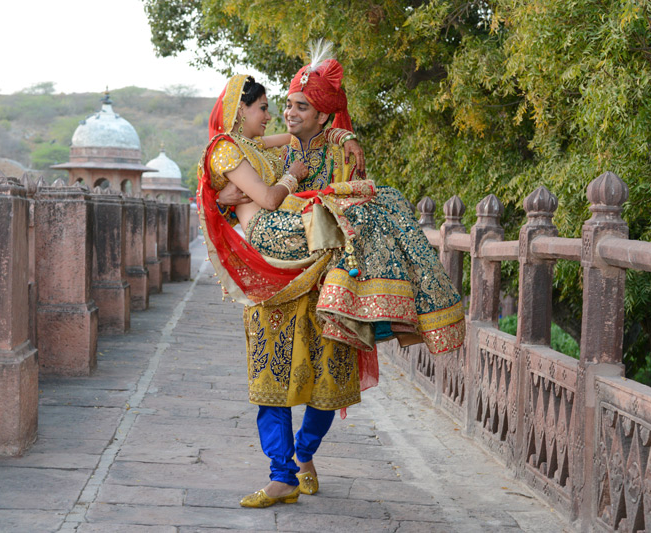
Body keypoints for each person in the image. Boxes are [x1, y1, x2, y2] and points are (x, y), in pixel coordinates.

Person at [198, 50, 465, 509]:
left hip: (329, 284)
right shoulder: (272, 150)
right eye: (283, 105)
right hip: (277, 279)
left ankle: (304, 454)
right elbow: (232, 188)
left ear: (322, 113)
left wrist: (341, 135)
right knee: (271, 377)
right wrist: (265, 187)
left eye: (301, 106)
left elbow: (347, 208)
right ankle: (281, 474)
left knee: (329, 384)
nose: (287, 113)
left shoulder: (340, 150)